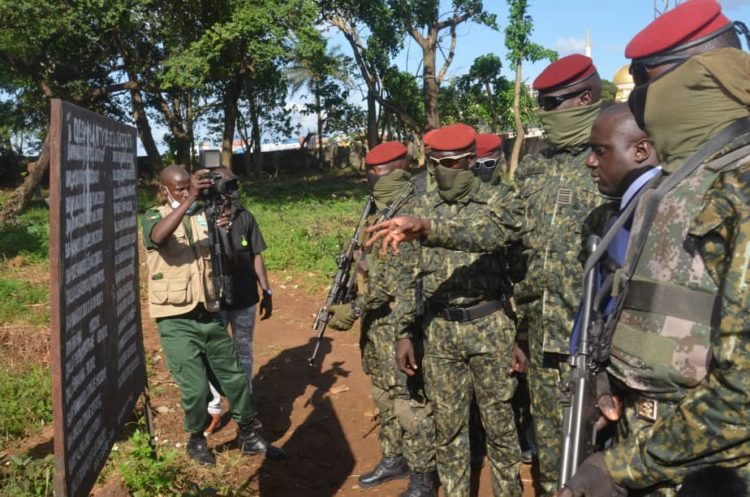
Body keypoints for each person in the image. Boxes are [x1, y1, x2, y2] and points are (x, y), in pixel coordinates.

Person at [556, 1, 750, 495]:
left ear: (688, 80)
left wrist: (620, 468)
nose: (637, 102)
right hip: (650, 449)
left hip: (708, 472)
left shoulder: (740, 186)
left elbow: (743, 394)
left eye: (644, 83)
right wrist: (610, 376)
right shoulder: (677, 184)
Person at [387, 123, 525, 497]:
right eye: (439, 163)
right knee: (449, 428)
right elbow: (406, 277)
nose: (448, 170)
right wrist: (404, 332)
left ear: (470, 160)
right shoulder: (418, 208)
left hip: (490, 325)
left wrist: (521, 335)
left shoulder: (499, 202)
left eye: (455, 162)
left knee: (499, 425)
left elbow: (514, 266)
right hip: (440, 330)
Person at [142, 165, 284, 465]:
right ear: (164, 189)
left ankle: (248, 432)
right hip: (176, 318)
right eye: (179, 188)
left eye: (188, 187)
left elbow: (230, 261)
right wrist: (188, 199)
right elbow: (158, 237)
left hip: (208, 311)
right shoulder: (154, 216)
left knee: (234, 377)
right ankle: (196, 439)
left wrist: (223, 232)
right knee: (194, 391)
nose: (185, 192)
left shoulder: (203, 217)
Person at [327, 141, 438, 497]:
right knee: (383, 394)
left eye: (376, 173)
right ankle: (394, 457)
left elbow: (393, 279)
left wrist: (355, 308)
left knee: (407, 399)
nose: (371, 179)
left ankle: (422, 475)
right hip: (378, 323)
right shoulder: (379, 207)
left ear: (395, 170)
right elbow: (372, 265)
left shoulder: (411, 208)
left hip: (400, 322)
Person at [204, 166, 273, 436]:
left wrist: (266, 291)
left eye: (235, 186)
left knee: (243, 350)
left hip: (245, 298)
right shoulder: (201, 219)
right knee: (215, 354)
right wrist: (213, 230)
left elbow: (257, 255)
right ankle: (214, 407)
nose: (234, 192)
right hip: (214, 299)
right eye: (229, 186)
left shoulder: (246, 217)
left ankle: (245, 404)